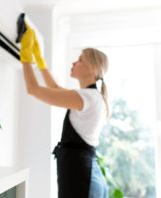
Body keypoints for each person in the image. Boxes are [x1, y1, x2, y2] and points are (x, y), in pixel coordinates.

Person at [19, 25, 109, 198]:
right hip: (85, 171)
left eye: (80, 60)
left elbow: (33, 89)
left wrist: (26, 57)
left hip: (81, 174)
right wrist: (40, 62)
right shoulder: (92, 97)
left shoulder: (87, 97)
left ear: (93, 69)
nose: (74, 63)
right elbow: (55, 89)